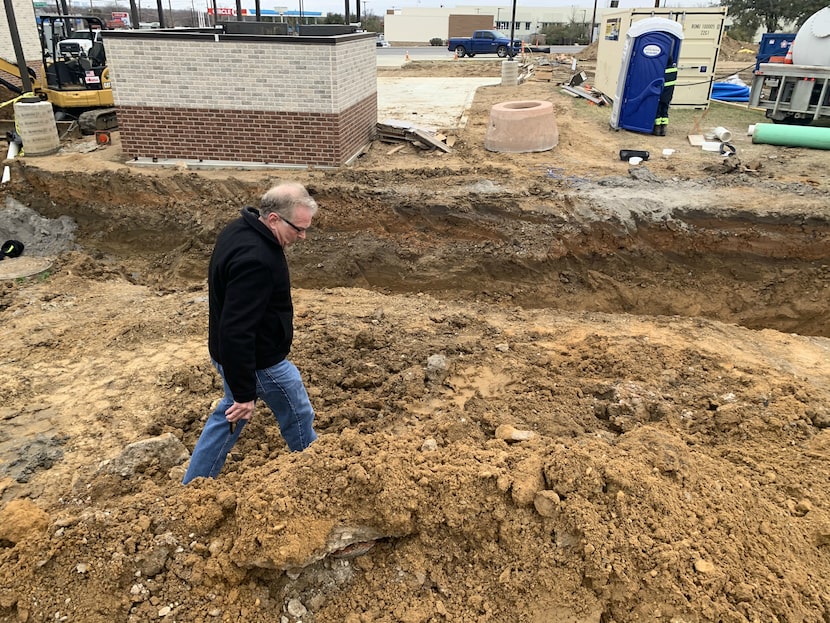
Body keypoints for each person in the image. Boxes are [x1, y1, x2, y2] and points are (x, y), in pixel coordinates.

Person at [182, 182, 318, 484]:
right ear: (273, 219)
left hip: (233, 354)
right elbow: (237, 328)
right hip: (260, 362)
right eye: (298, 229)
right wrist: (245, 392)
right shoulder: (257, 260)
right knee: (297, 411)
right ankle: (316, 470)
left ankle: (194, 485)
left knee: (228, 417)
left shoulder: (239, 230)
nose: (303, 236)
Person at [653, 55, 677, 136]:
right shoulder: (674, 70)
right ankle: (664, 130)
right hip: (668, 96)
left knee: (658, 112)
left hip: (661, 95)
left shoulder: (662, 71)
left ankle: (657, 129)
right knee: (665, 112)